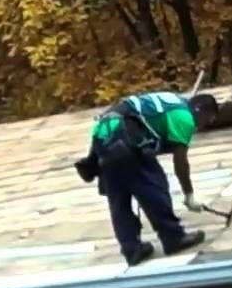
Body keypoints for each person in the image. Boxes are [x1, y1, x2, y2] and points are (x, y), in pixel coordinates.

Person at [74, 91, 219, 266]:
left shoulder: (172, 103)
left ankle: (132, 249)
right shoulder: (184, 117)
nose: (203, 127)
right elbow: (180, 161)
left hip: (103, 137)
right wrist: (189, 195)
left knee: (119, 199)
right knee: (153, 186)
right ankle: (173, 237)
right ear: (199, 110)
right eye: (207, 120)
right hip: (126, 139)